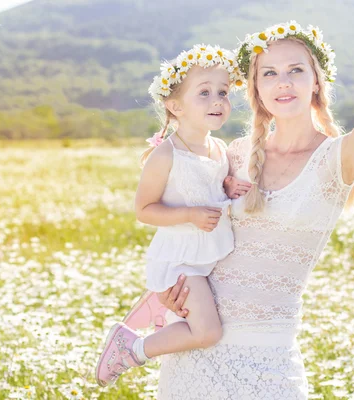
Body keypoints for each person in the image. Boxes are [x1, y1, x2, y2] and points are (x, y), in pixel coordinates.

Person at [153, 21, 354, 399]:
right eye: (270, 74)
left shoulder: (335, 160)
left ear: (316, 81)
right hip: (195, 348)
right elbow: (188, 229)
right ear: (256, 89)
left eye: (296, 70)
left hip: (270, 357)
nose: (283, 82)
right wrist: (170, 287)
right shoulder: (235, 154)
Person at [94, 44, 247, 387]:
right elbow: (144, 210)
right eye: (204, 93)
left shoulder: (218, 148)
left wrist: (228, 184)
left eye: (222, 92)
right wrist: (190, 214)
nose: (217, 101)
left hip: (211, 254)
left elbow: (208, 183)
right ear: (175, 106)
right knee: (207, 332)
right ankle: (132, 347)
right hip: (182, 261)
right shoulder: (165, 155)